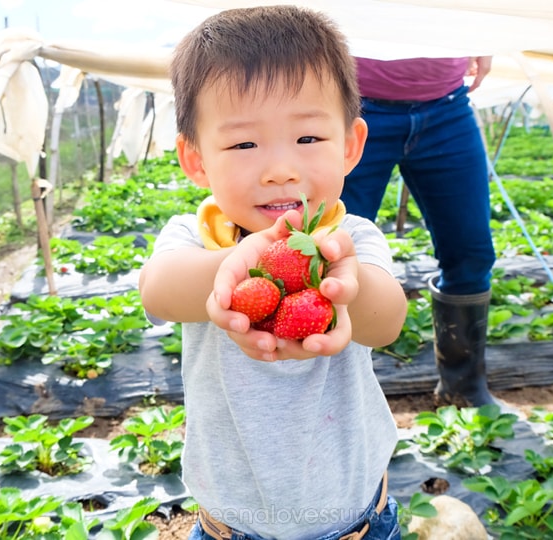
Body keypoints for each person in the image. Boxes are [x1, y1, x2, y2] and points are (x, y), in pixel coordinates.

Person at [138, 6, 407, 540]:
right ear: (195, 160)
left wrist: (345, 286)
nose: (280, 167)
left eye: (308, 139)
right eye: (243, 144)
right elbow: (159, 291)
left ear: (351, 146)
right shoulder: (196, 237)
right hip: (229, 524)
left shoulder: (349, 238)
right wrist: (237, 267)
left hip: (358, 519)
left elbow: (387, 321)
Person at [340, 56, 498, 408]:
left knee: (471, 253)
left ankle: (464, 388)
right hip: (352, 105)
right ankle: (337, 399)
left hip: (447, 106)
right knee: (330, 253)